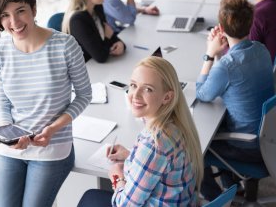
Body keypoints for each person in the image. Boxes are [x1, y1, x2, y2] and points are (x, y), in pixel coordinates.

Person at [0, 0, 92, 207]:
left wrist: (53, 128)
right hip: (13, 147)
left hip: (52, 146)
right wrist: (9, 135)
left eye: (20, 11)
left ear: (33, 10)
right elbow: (2, 103)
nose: (14, 22)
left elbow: (84, 95)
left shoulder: (65, 46)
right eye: (5, 15)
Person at [78, 56, 204, 206]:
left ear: (167, 97)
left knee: (90, 198)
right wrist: (131, 156)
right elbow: (161, 162)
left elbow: (125, 204)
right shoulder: (175, 123)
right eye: (133, 85)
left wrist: (117, 177)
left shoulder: (155, 143)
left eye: (148, 89)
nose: (135, 95)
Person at [196, 0, 274, 201]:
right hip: (270, 139)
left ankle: (220, 199)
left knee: (197, 146)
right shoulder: (261, 49)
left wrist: (210, 54)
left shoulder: (226, 66)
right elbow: (234, 75)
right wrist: (222, 52)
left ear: (221, 27)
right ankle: (234, 187)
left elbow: (203, 94)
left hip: (248, 146)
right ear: (251, 22)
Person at [62, 0, 126, 63]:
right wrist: (108, 37)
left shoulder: (97, 8)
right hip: (87, 69)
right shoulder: (77, 21)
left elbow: (109, 32)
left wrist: (121, 44)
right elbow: (101, 56)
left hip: (101, 67)